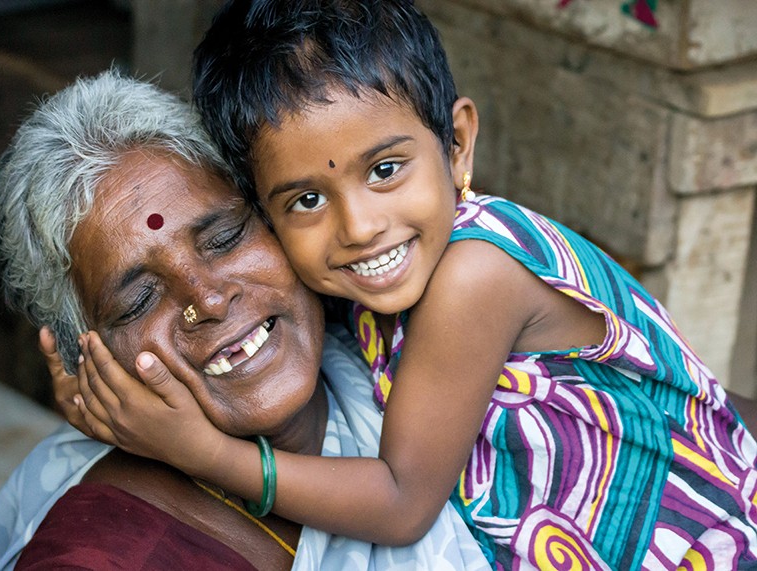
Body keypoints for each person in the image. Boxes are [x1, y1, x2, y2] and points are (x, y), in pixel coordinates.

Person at [64, 0, 757, 569]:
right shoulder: (381, 273)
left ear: (456, 144)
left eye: (386, 169)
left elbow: (400, 501)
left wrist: (205, 453)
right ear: (267, 215)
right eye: (306, 200)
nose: (360, 226)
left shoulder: (473, 276)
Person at [0, 69, 489, 571]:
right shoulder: (112, 553)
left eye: (224, 239)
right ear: (84, 359)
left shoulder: (400, 328)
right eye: (140, 300)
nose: (207, 301)